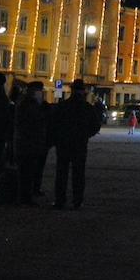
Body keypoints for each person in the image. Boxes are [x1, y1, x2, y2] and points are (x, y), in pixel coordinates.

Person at [51, 79, 99, 210]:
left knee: (61, 173)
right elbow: (96, 126)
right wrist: (85, 135)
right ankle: (77, 201)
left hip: (64, 144)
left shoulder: (63, 106)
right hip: (79, 144)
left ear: (71, 91)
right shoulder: (87, 107)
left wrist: (57, 138)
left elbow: (53, 124)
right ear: (83, 92)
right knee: (78, 174)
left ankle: (60, 200)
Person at [13, 82, 48, 206]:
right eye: (40, 90)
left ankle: (25, 196)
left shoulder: (26, 102)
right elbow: (34, 122)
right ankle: (25, 198)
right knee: (26, 172)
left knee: (27, 172)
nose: (41, 93)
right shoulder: (29, 104)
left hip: (27, 142)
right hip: (27, 143)